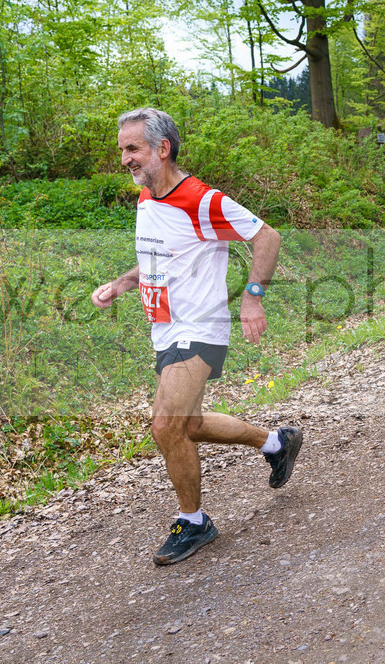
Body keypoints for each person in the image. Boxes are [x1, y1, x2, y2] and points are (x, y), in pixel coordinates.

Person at [92, 108, 300, 565]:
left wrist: (252, 297)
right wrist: (123, 283)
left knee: (165, 425)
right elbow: (160, 260)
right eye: (122, 149)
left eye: (133, 148)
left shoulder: (203, 200)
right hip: (165, 327)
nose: (125, 158)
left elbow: (267, 237)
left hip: (200, 328)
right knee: (190, 425)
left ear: (161, 149)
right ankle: (277, 443)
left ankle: (194, 522)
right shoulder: (148, 198)